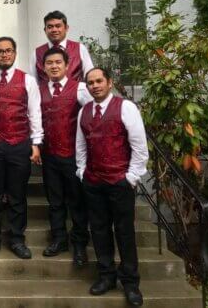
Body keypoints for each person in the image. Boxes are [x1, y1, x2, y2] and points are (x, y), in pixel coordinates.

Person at [76, 67, 148, 307]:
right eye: (90, 82)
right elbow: (81, 146)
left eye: (99, 81)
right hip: (94, 181)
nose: (95, 85)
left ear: (109, 82)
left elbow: (139, 146)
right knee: (99, 230)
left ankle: (130, 283)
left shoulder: (126, 108)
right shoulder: (84, 111)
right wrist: (82, 171)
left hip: (119, 181)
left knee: (125, 232)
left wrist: (131, 177)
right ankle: (106, 276)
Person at [0, 37, 44, 259]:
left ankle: (17, 239)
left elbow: (34, 113)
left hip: (19, 144)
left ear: (14, 53)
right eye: (0, 51)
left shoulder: (28, 81)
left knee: (17, 195)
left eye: (8, 51)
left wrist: (35, 144)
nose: (4, 55)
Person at [39, 48, 92, 267]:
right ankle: (59, 238)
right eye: (49, 63)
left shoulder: (80, 89)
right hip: (49, 155)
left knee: (77, 201)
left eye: (58, 62)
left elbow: (92, 117)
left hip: (73, 155)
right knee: (55, 201)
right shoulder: (39, 89)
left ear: (67, 65)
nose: (53, 66)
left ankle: (79, 244)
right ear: (43, 67)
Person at [29, 10, 94, 84]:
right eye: (50, 27)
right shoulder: (36, 53)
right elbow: (32, 84)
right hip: (46, 95)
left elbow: (91, 77)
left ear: (66, 28)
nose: (54, 30)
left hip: (76, 94)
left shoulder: (80, 49)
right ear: (45, 30)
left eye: (58, 26)